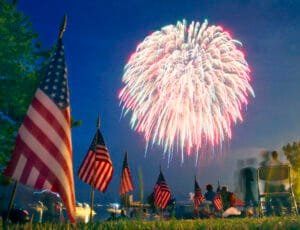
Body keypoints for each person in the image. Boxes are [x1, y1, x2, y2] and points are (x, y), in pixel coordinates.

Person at [264, 151, 291, 216]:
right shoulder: (281, 164)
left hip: (270, 188)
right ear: (277, 156)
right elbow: (283, 178)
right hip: (279, 187)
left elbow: (265, 177)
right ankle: (286, 206)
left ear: (272, 156)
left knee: (268, 190)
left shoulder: (268, 164)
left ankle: (269, 211)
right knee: (281, 190)